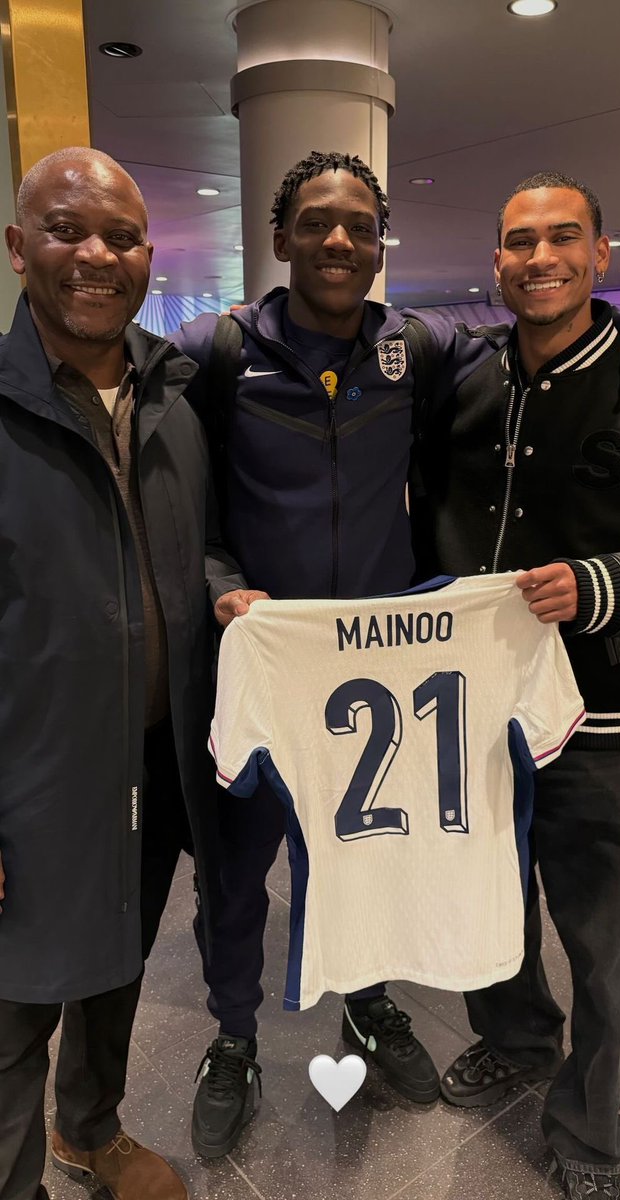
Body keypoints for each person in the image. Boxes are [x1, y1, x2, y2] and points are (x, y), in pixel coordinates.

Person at [173, 149, 620, 1162]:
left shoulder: (433, 350)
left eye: (359, 224)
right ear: (281, 239)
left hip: (456, 685)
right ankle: (234, 1040)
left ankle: (399, 1024)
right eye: (316, 222)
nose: (339, 242)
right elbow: (181, 500)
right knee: (255, 876)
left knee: (395, 867)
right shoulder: (220, 349)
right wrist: (222, 581)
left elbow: (548, 333)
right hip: (291, 668)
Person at [415, 170, 620, 1200]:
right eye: (519, 241)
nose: (540, 257)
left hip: (600, 714)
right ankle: (517, 1038)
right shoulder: (468, 378)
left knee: (605, 948)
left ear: (602, 254)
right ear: (496, 261)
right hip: (475, 706)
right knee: (488, 907)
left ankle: (590, 1134)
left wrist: (602, 586)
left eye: (564, 237)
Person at [0, 147, 232, 1200]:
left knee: (118, 975)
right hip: (30, 784)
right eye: (65, 229)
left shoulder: (176, 399)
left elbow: (200, 554)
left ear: (150, 254)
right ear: (17, 248)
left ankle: (89, 1131)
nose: (96, 254)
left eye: (122, 236)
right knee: (11, 1018)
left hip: (154, 764)